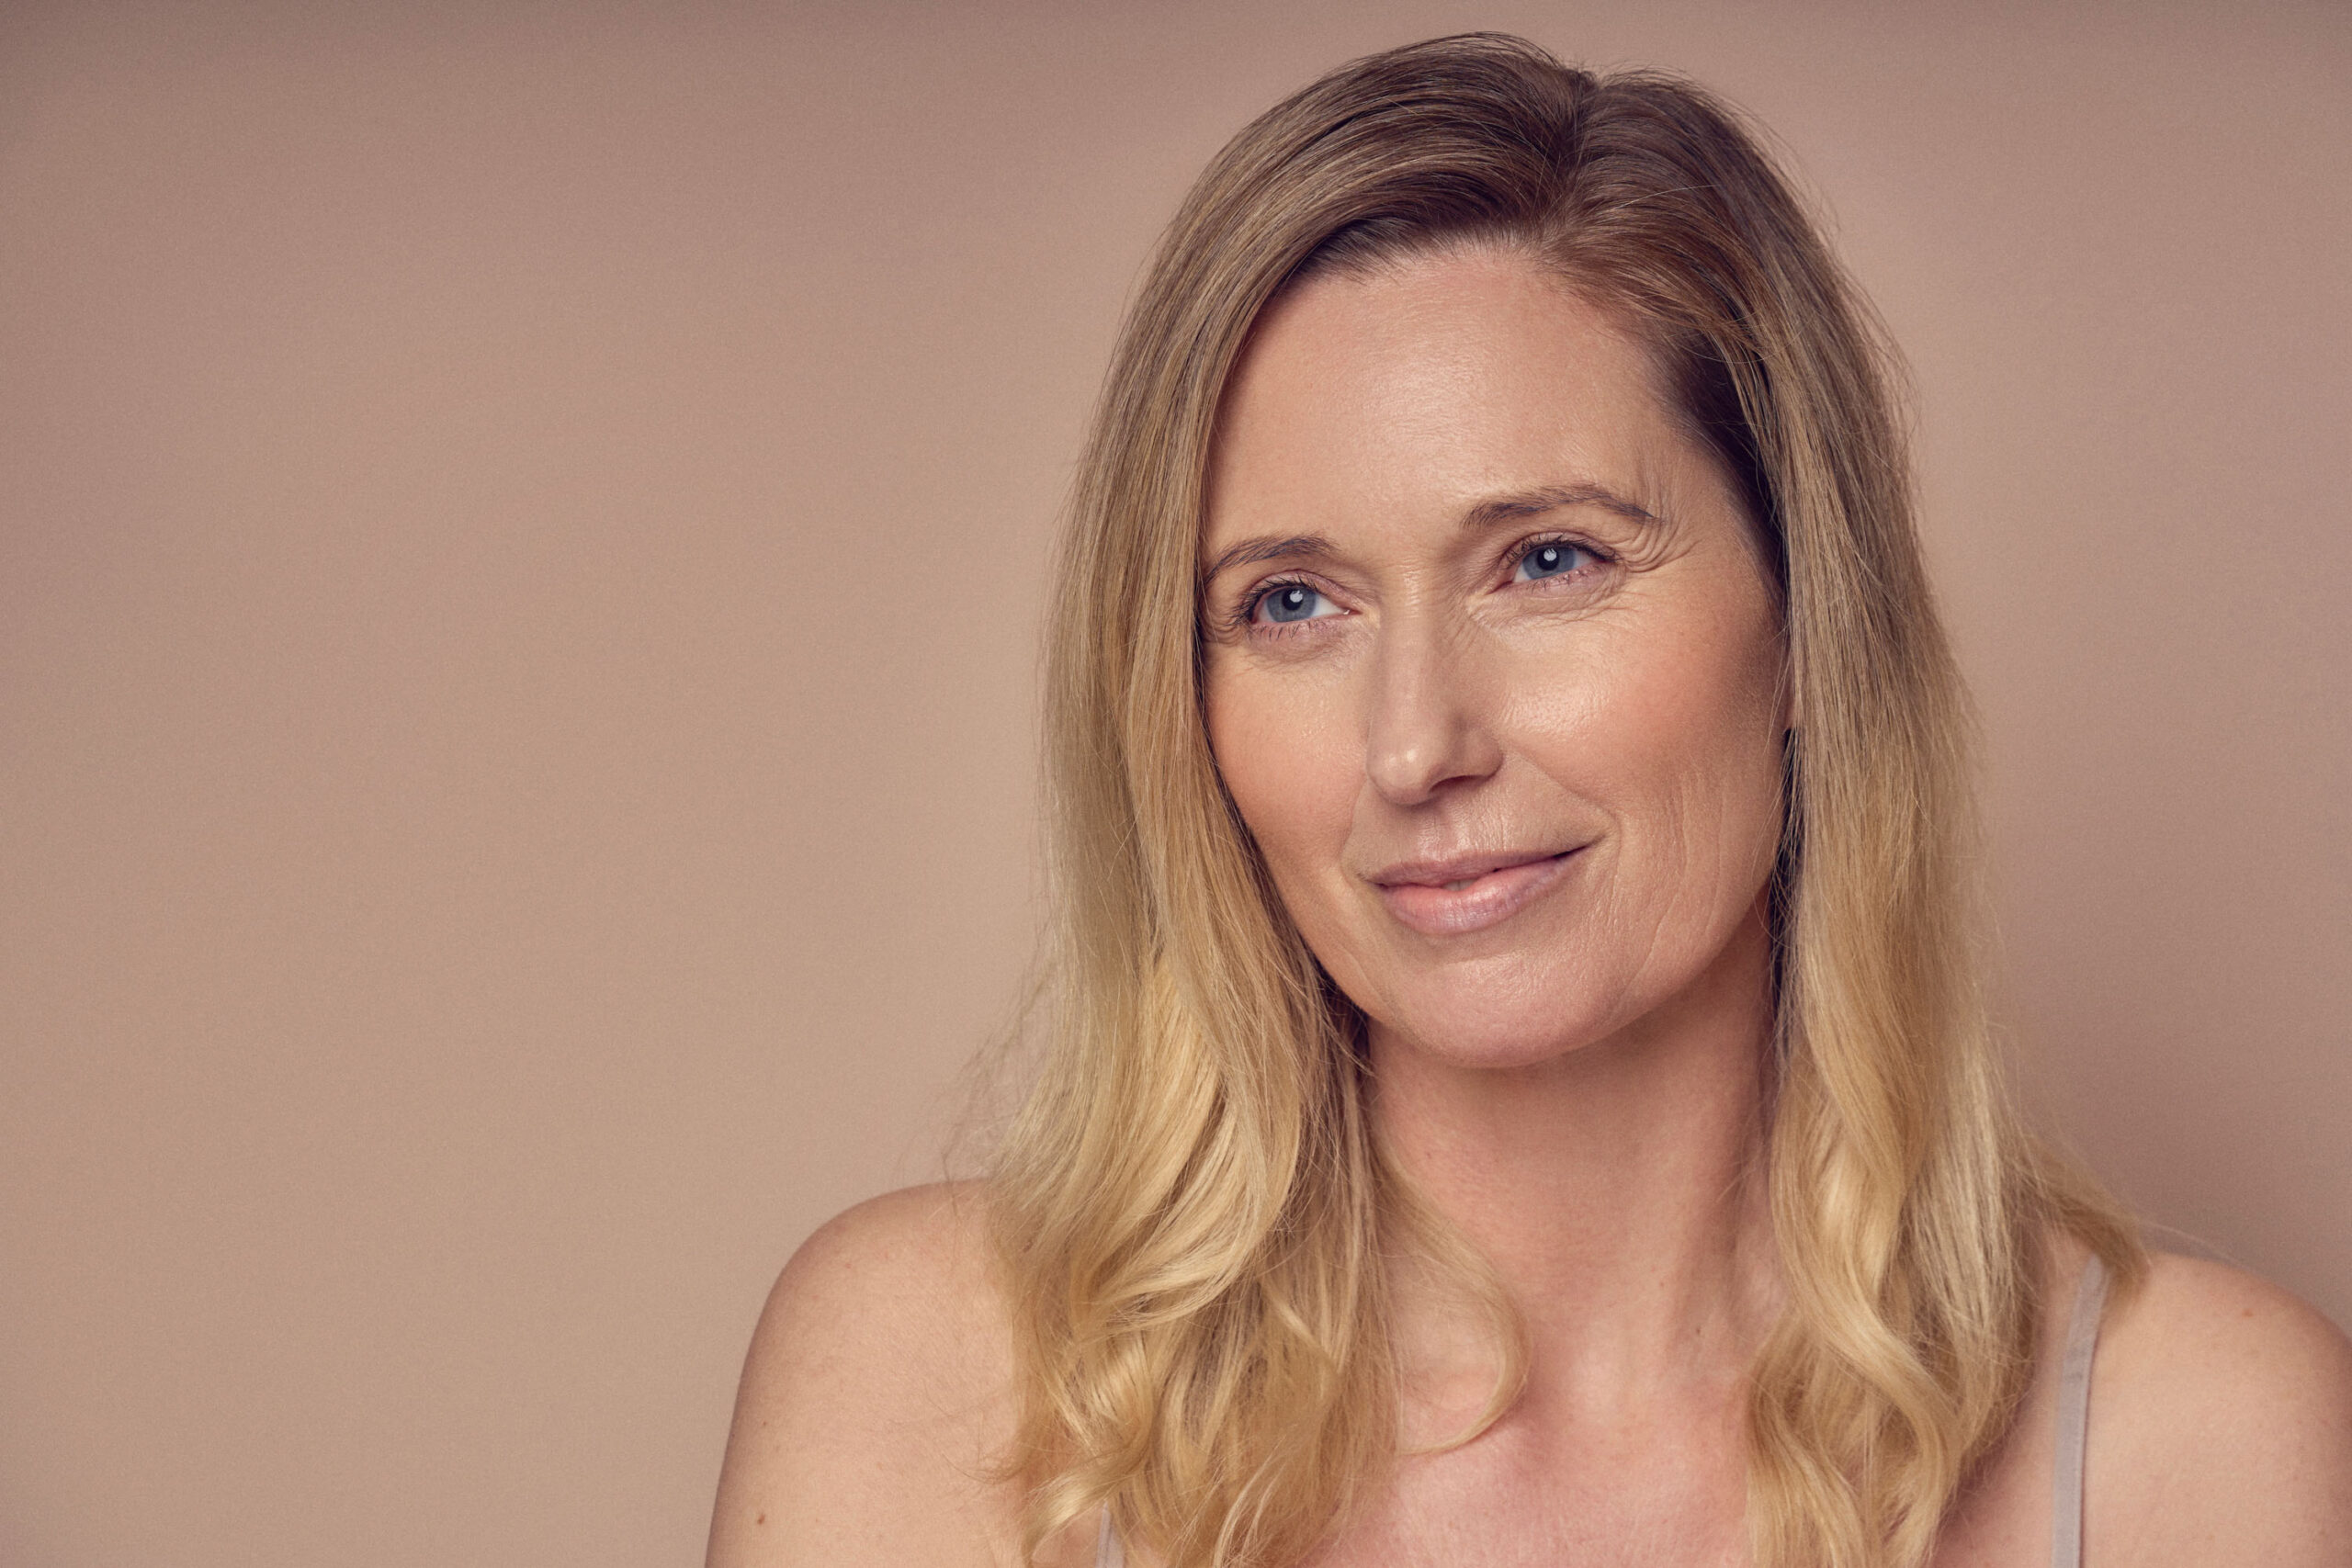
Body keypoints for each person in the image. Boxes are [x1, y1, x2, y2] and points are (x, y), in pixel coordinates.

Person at [705, 34, 2352, 1568]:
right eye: (1291, 604)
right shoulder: (932, 1385)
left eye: (1547, 560)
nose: (1416, 747)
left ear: (1806, 622)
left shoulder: (2186, 1446)